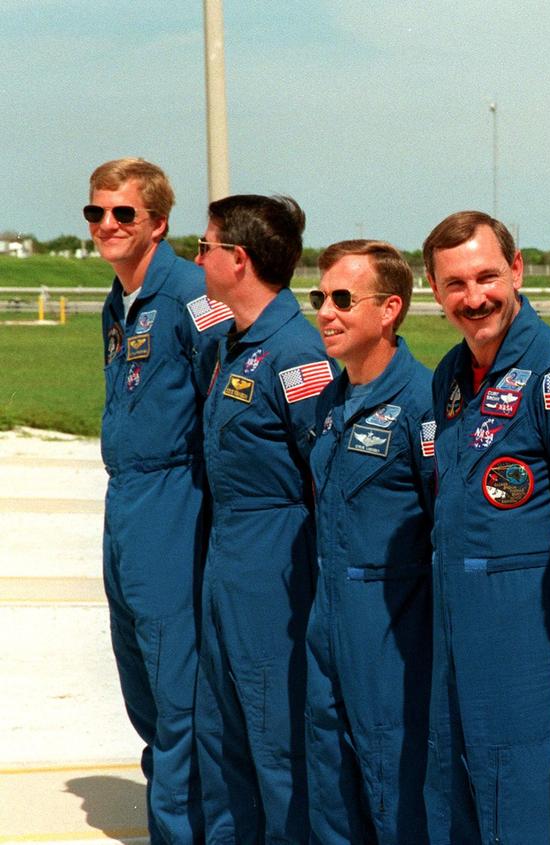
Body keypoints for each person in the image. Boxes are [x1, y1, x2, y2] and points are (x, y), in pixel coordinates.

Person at [422, 210, 550, 844]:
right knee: (457, 801)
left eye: (487, 277)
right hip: (456, 624)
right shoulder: (449, 375)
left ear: (517, 270)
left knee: (527, 808)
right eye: (455, 284)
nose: (474, 298)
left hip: (531, 636)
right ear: (434, 289)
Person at [90, 157, 231, 843]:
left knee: (178, 692)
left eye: (124, 213)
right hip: (125, 500)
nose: (108, 224)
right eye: (96, 212)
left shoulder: (190, 294)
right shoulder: (118, 303)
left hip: (174, 497)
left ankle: (187, 829)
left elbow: (227, 394)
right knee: (141, 684)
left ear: (158, 223)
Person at [194, 194, 333, 842]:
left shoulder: (298, 353)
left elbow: (325, 474)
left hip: (276, 570)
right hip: (228, 561)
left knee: (277, 744)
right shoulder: (232, 343)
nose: (197, 258)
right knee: (222, 741)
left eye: (205, 246)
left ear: (238, 259)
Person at [304, 240, 434, 842]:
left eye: (341, 299)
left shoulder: (423, 403)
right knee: (331, 785)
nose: (325, 312)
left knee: (392, 786)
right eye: (319, 298)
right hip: (329, 620)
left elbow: (442, 525)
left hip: (392, 634)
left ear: (389, 309)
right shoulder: (329, 403)